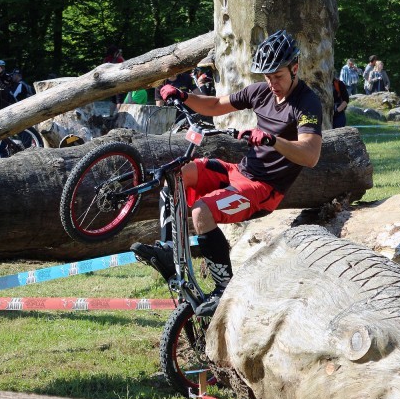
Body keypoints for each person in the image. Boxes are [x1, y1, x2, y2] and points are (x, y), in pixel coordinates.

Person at [132, 30, 323, 316]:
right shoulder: (261, 92)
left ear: (295, 68)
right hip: (241, 171)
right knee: (177, 174)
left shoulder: (307, 103)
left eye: (278, 76)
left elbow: (310, 155)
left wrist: (271, 139)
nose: (272, 83)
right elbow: (214, 105)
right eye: (267, 76)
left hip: (265, 189)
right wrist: (183, 95)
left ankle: (223, 289)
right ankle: (168, 249)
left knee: (201, 212)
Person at [104, 45, 125, 114]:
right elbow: (125, 65)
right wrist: (121, 56)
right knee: (119, 100)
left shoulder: (106, 59)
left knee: (113, 100)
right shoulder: (119, 59)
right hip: (118, 81)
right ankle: (118, 115)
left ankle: (111, 115)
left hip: (110, 82)